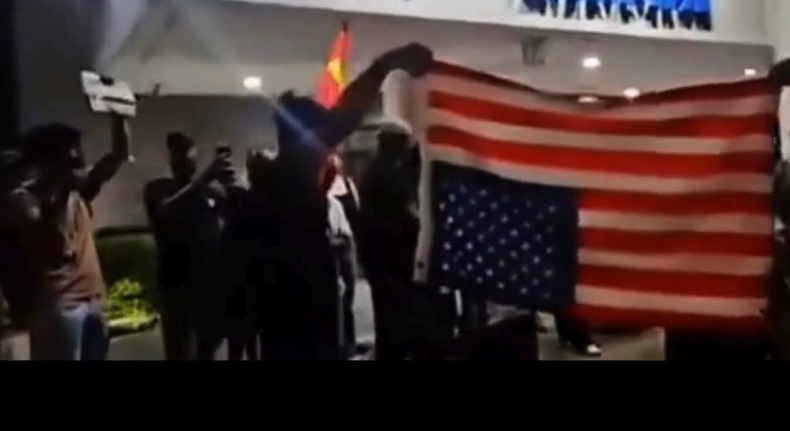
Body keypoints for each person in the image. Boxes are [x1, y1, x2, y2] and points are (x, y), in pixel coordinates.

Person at [0, 115, 130, 360]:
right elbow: (61, 245)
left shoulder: (78, 190)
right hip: (60, 306)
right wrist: (62, 191)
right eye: (70, 155)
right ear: (48, 161)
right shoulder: (27, 200)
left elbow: (118, 156)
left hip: (94, 301)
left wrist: (119, 115)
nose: (79, 159)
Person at [143, 133, 236, 360]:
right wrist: (202, 182)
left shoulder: (206, 193)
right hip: (177, 289)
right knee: (181, 352)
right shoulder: (158, 189)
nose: (190, 163)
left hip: (207, 288)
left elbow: (229, 221)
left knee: (207, 352)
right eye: (184, 158)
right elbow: (166, 210)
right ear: (172, 160)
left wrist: (228, 191)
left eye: (193, 158)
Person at [358, 119, 422, 360]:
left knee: (385, 317)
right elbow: (404, 216)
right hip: (394, 257)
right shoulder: (391, 174)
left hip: (378, 257)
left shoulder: (374, 170)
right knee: (396, 318)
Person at [326, 153, 361, 356]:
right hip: (334, 249)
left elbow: (356, 212)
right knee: (337, 301)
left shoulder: (347, 185)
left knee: (348, 299)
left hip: (347, 246)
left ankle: (349, 344)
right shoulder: (326, 197)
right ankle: (340, 345)